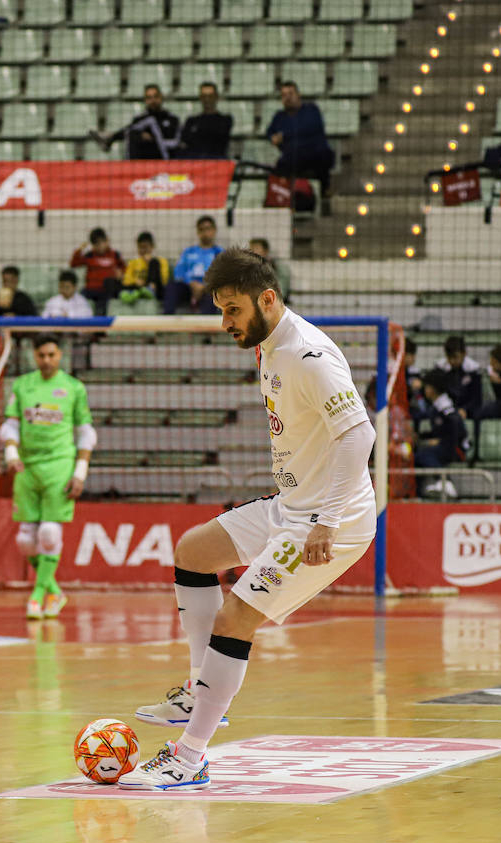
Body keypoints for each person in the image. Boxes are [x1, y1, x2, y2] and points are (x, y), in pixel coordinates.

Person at [122, 248, 375, 790]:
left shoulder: (308, 355)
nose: (225, 324)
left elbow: (360, 435)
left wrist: (326, 520)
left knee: (235, 618)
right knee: (193, 552)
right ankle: (198, 691)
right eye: (221, 311)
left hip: (327, 520)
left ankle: (189, 757)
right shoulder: (268, 346)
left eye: (233, 310)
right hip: (292, 505)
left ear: (268, 299)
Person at [0, 334, 96, 620]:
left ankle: (37, 596)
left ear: (60, 355)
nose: (46, 360)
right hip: (27, 466)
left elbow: (85, 433)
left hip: (59, 464)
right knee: (25, 541)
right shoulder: (22, 385)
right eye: (41, 355)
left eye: (51, 355)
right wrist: (11, 454)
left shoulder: (73, 388)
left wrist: (80, 472)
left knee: (49, 534)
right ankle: (54, 591)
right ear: (34, 355)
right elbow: (10, 426)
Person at [265, 81, 336, 213]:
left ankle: (325, 192)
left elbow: (308, 129)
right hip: (292, 158)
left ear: (298, 95)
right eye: (284, 95)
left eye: (290, 93)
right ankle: (282, 203)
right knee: (279, 167)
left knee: (325, 154)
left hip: (314, 155)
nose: (287, 97)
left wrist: (284, 136)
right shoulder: (279, 116)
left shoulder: (311, 110)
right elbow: (269, 133)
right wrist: (272, 138)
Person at [414, 368, 468, 499]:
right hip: (446, 445)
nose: (425, 389)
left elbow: (458, 430)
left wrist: (442, 441)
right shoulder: (436, 406)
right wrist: (420, 436)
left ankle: (446, 482)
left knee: (423, 454)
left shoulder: (445, 407)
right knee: (417, 457)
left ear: (432, 389)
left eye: (426, 386)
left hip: (456, 448)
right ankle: (417, 493)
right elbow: (438, 430)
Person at [91, 84, 180, 160]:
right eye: (149, 98)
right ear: (145, 100)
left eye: (155, 96)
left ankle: (111, 137)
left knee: (142, 126)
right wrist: (141, 136)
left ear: (161, 97)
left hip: (165, 157)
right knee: (133, 134)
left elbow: (174, 142)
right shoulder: (139, 118)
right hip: (145, 157)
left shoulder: (172, 119)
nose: (153, 100)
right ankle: (131, 167)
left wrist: (153, 138)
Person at [164, 215, 222, 315]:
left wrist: (204, 286)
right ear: (198, 232)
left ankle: (204, 324)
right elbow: (178, 272)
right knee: (172, 287)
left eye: (208, 229)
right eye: (201, 230)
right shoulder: (189, 252)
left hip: (208, 289)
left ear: (214, 230)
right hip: (189, 287)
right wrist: (191, 283)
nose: (205, 233)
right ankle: (166, 320)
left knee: (213, 294)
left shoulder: (220, 253)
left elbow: (222, 276)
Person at [69, 228, 124, 315]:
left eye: (101, 242)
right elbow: (73, 264)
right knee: (78, 298)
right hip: (91, 289)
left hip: (106, 290)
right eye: (96, 244)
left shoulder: (115, 255)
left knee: (104, 302)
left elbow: (124, 268)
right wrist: (79, 249)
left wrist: (121, 274)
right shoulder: (90, 255)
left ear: (106, 241)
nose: (99, 246)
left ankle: (100, 320)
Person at [178, 82, 233, 159]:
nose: (207, 99)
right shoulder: (191, 121)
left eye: (210, 96)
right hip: (196, 162)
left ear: (216, 97)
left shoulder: (225, 120)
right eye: (204, 96)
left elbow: (218, 140)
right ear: (200, 98)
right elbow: (185, 143)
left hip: (217, 162)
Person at [437, 335, 483, 417]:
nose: (452, 361)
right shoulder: (440, 368)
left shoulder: (474, 370)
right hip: (446, 409)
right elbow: (438, 395)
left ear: (464, 354)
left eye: (455, 357)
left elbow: (476, 399)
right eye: (449, 357)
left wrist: (465, 409)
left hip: (468, 410)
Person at [120, 231, 169, 306]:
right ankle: (135, 294)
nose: (143, 250)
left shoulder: (161, 261)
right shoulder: (133, 262)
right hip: (138, 287)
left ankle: (149, 290)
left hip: (156, 290)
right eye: (140, 247)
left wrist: (149, 263)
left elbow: (164, 280)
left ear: (152, 246)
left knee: (154, 262)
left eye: (145, 247)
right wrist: (136, 281)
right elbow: (126, 280)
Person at [248, 238, 292, 306]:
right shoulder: (248, 269)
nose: (253, 251)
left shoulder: (278, 268)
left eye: (256, 248)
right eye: (251, 249)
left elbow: (281, 292)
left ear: (265, 251)